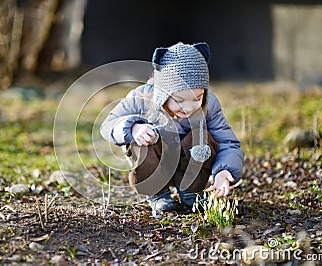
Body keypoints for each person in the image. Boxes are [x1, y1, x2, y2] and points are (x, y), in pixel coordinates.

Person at [100, 42, 244, 216]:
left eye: (197, 98)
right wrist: (133, 128)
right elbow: (108, 125)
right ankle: (158, 195)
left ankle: (191, 192)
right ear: (162, 93)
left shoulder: (209, 105)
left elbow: (228, 142)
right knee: (144, 139)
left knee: (202, 138)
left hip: (188, 163)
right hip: (155, 162)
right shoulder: (141, 98)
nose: (189, 107)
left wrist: (224, 170)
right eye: (179, 100)